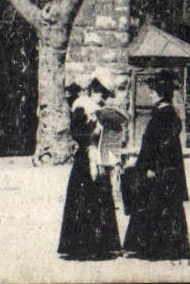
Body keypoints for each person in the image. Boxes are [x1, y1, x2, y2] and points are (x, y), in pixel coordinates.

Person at [120, 70, 190, 260]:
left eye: (152, 92)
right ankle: (170, 248)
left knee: (152, 207)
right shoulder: (168, 115)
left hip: (159, 171)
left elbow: (158, 147)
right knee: (167, 208)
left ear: (159, 94)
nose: (150, 95)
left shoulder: (162, 116)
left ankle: (152, 249)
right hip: (168, 172)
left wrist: (149, 167)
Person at [57, 71, 122, 261]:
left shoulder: (102, 109)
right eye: (100, 93)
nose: (102, 98)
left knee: (101, 198)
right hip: (85, 159)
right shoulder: (82, 106)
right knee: (85, 200)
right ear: (93, 89)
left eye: (106, 95)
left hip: (101, 158)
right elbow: (76, 133)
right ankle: (82, 247)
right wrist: (90, 127)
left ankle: (102, 246)